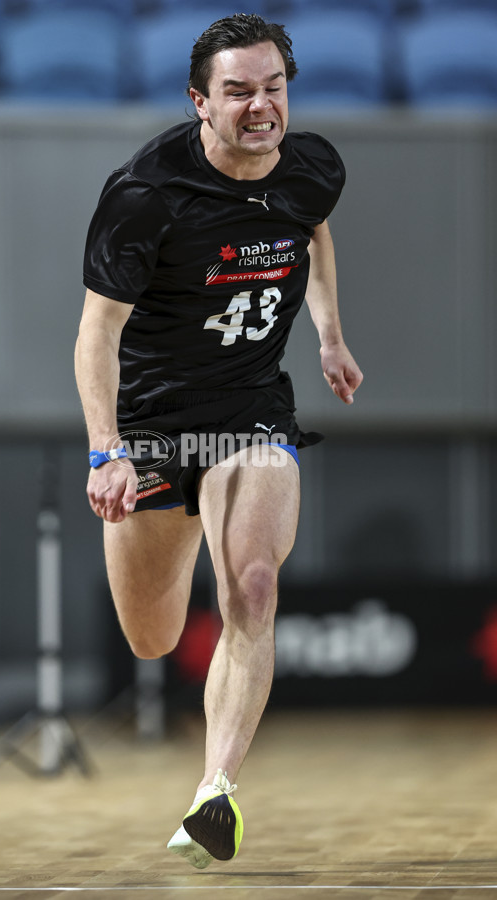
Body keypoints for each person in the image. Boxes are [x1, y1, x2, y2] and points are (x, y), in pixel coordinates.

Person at [75, 12, 363, 870]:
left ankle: (215, 794)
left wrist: (330, 335)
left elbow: (310, 232)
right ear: (200, 101)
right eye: (238, 91)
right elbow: (96, 336)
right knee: (153, 639)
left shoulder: (314, 166)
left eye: (273, 87)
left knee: (255, 584)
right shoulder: (142, 196)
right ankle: (183, 512)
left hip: (250, 414)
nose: (260, 106)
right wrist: (106, 450)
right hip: (156, 428)